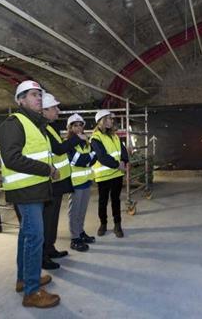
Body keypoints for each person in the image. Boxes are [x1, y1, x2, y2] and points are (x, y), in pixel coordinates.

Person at [0, 80, 60, 308]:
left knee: (27, 236)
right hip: (25, 192)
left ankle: (24, 279)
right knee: (35, 237)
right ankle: (32, 292)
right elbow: (12, 158)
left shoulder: (35, 124)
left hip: (35, 189)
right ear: (21, 100)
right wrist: (48, 170)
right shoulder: (14, 123)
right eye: (33, 95)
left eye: (39, 95)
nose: (38, 98)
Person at [41, 93, 85, 270]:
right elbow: (58, 150)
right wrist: (76, 139)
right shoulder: (43, 128)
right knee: (46, 221)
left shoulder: (49, 127)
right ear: (44, 110)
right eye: (54, 108)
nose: (58, 110)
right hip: (50, 181)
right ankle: (43, 255)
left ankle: (50, 248)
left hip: (58, 181)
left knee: (52, 220)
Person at [90, 109, 129, 238]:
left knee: (116, 201)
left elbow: (122, 150)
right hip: (104, 176)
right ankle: (103, 224)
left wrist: (124, 161)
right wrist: (118, 165)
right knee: (103, 202)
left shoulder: (114, 135)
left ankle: (117, 225)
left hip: (117, 174)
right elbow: (102, 156)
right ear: (100, 121)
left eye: (111, 119)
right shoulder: (95, 138)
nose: (111, 121)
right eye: (108, 119)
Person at [66, 113, 97, 251]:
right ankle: (75, 238)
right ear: (70, 128)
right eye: (75, 125)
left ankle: (81, 232)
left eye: (80, 125)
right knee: (74, 211)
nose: (78, 128)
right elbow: (78, 160)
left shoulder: (86, 142)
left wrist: (87, 158)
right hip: (75, 183)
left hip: (86, 182)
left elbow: (94, 157)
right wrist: (88, 158)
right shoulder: (69, 143)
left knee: (82, 210)